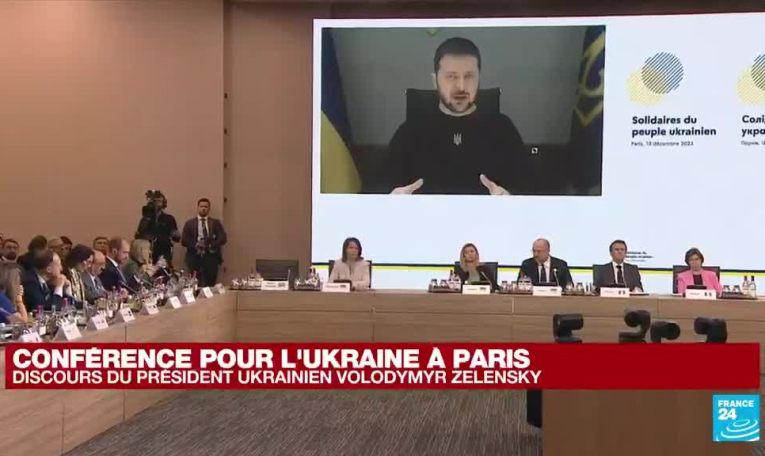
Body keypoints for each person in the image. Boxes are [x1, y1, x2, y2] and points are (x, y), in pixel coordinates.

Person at [385, 37, 524, 195]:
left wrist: (510, 198)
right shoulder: (410, 130)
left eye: (469, 76)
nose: (461, 87)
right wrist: (392, 198)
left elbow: (530, 186)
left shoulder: (502, 128)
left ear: (479, 78)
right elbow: (378, 187)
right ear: (435, 81)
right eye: (451, 77)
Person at [182, 198, 227, 287]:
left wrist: (210, 245)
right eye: (201, 206)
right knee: (195, 284)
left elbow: (223, 238)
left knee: (210, 283)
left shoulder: (215, 223)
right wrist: (196, 245)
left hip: (211, 256)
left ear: (209, 208)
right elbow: (184, 240)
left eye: (206, 207)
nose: (203, 208)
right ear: (198, 207)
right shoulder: (190, 223)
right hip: (194, 256)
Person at [135, 192, 180, 268]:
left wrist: (175, 235)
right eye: (155, 201)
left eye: (159, 201)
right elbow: (139, 236)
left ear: (163, 203)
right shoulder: (145, 219)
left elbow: (176, 238)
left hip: (164, 252)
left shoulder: (169, 218)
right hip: (147, 254)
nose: (157, 203)